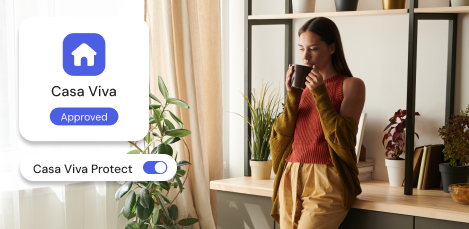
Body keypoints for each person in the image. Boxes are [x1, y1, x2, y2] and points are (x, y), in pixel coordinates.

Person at [269, 17, 366, 229]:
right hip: (291, 174)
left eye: (313, 48)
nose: (305, 56)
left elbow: (344, 139)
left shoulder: (351, 85)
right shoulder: (299, 89)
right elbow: (280, 136)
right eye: (301, 48)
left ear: (332, 47)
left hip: (326, 179)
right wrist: (292, 96)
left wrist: (320, 93)